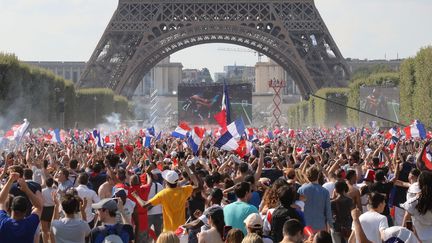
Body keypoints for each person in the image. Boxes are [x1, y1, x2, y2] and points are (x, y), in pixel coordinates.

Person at [131, 158, 199, 232]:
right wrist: (186, 166)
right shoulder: (183, 190)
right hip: (181, 231)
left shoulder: (163, 194)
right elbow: (196, 184)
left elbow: (144, 205)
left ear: (166, 181)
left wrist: (136, 196)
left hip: (168, 232)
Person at [0, 172, 43, 243]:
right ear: (26, 211)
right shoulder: (30, 224)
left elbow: (1, 201)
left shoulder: (3, 221)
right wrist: (26, 189)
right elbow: (39, 206)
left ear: (11, 208)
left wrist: (10, 180)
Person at [297, 165, 333, 232]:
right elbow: (328, 211)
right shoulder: (325, 191)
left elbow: (297, 208)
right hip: (320, 225)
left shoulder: (301, 190)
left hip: (306, 226)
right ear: (318, 176)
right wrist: (330, 226)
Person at [401, 171, 432, 242]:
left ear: (419, 184)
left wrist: (412, 236)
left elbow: (406, 221)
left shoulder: (413, 202)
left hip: (418, 238)